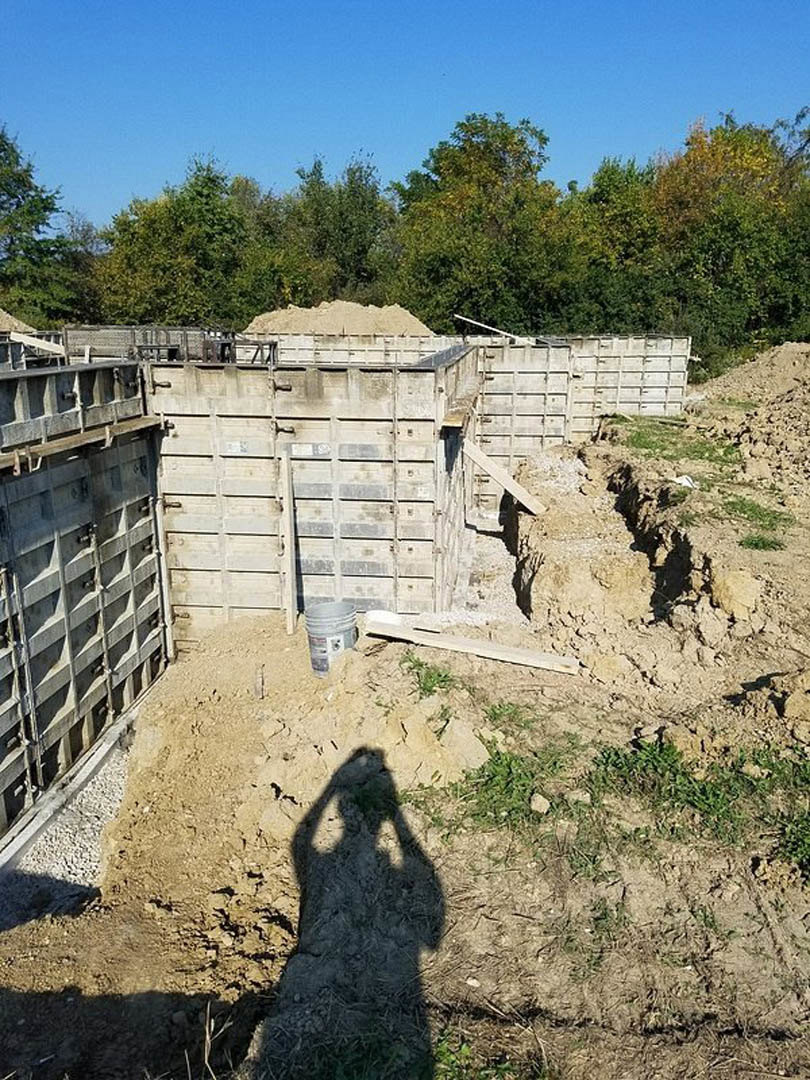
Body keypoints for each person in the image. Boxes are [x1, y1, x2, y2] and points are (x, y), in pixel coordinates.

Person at [254, 747, 444, 1079]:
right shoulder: (349, 870)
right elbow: (432, 927)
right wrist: (397, 819)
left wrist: (329, 788)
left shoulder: (325, 866)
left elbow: (300, 842)